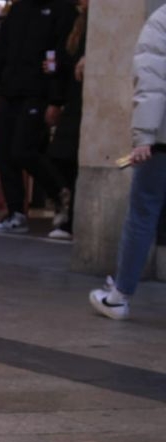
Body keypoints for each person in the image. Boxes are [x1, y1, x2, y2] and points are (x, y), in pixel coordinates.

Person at [88, 5, 166, 321]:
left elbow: (151, 81)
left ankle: (119, 296)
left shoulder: (162, 21)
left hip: (161, 142)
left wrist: (144, 136)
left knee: (142, 213)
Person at [0, 0, 77, 235]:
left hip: (38, 93)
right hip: (10, 90)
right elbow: (0, 52)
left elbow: (62, 53)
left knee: (23, 149)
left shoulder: (61, 9)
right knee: (2, 151)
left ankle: (60, 190)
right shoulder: (19, 10)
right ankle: (16, 213)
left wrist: (56, 100)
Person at [45, 0, 87, 241]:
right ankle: (66, 209)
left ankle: (70, 218)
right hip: (72, 98)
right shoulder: (73, 19)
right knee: (61, 157)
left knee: (68, 157)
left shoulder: (90, 22)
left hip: (83, 100)